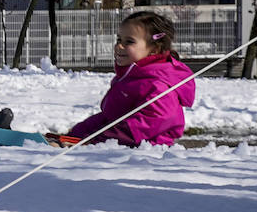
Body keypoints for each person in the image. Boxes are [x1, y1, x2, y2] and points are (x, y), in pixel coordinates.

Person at [59, 10, 195, 147]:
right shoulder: (132, 78)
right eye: (119, 40)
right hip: (119, 149)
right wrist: (77, 135)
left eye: (129, 42)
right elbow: (110, 117)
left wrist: (93, 142)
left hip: (145, 157)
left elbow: (140, 127)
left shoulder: (158, 85)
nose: (119, 46)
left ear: (154, 49)